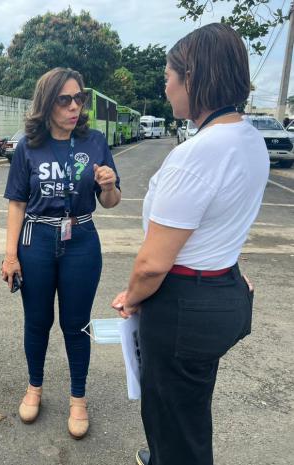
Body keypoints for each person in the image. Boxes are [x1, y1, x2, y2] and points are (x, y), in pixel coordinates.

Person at [110, 24, 268, 465]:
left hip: (183, 304)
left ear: (193, 77)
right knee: (189, 406)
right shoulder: (249, 138)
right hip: (222, 289)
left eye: (168, 76)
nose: (165, 87)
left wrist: (132, 298)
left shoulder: (197, 153)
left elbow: (152, 265)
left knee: (171, 412)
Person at [1, 67, 121, 439]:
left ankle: (78, 398)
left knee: (76, 323)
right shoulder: (28, 146)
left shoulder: (95, 141)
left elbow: (111, 202)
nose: (74, 106)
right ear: (47, 102)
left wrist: (110, 185)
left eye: (79, 98)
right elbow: (17, 204)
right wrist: (10, 256)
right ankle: (34, 388)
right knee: (37, 322)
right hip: (36, 239)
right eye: (64, 99)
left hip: (82, 238)